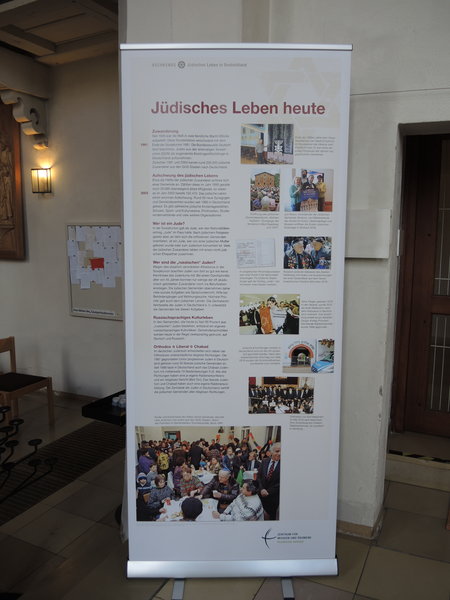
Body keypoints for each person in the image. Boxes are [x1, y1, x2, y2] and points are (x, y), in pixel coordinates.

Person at [257, 442, 281, 520]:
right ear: (271, 452)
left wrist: (268, 492)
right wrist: (261, 489)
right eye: (277, 451)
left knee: (271, 518)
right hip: (261, 496)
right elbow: (259, 477)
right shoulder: (264, 461)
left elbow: (281, 483)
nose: (280, 454)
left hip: (273, 498)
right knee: (259, 516)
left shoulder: (285, 464)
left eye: (281, 451)